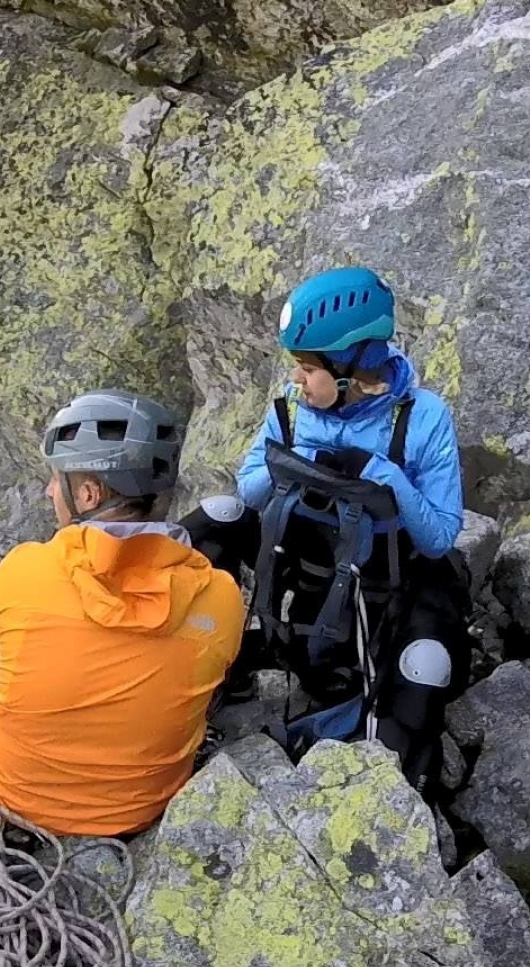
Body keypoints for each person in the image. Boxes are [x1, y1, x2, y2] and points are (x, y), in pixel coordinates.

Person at [180, 266, 473, 799]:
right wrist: (304, 457)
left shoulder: (423, 418)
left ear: (354, 366)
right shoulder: (292, 411)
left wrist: (386, 478)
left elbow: (438, 537)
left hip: (386, 588)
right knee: (212, 520)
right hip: (304, 570)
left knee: (427, 664)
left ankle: (392, 793)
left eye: (307, 368)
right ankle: (179, 673)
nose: (296, 379)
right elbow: (247, 492)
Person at [0, 390, 246, 838]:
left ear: (87, 493)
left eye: (56, 479)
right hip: (137, 812)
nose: (50, 491)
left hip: (20, 801)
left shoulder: (22, 571)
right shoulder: (220, 597)